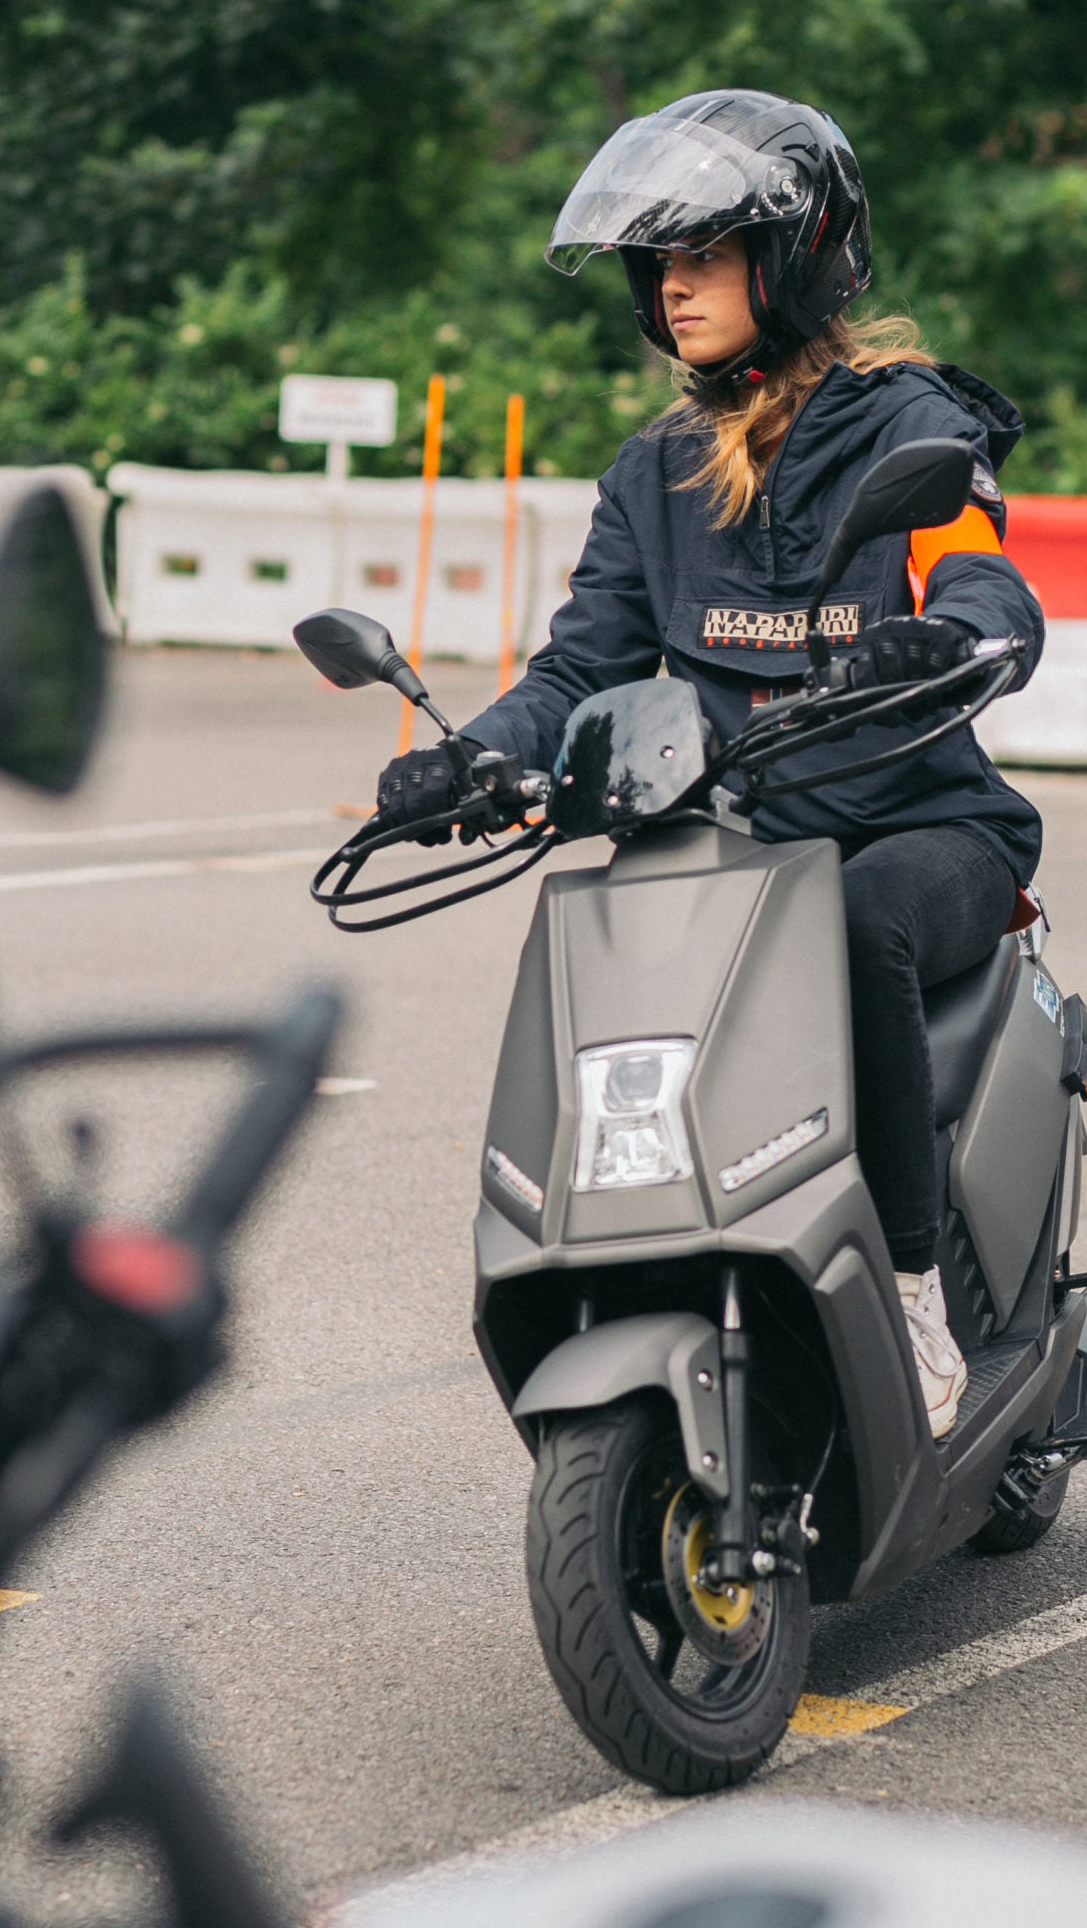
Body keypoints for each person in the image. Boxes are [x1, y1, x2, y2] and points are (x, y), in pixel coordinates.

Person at [373, 89, 1044, 1438]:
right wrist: (471, 761)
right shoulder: (655, 471)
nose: (671, 287)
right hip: (740, 836)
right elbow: (581, 669)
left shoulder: (903, 424)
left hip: (915, 831)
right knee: (619, 918)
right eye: (657, 263)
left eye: (704, 256)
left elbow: (981, 583)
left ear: (791, 258)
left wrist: (946, 643)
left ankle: (912, 1294)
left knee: (858, 925)